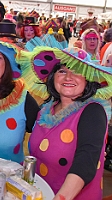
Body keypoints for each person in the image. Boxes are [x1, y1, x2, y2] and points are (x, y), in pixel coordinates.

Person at [18, 46, 112, 199]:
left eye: (77, 71)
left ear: (88, 79)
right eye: (62, 71)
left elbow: (86, 161)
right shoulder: (45, 111)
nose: (68, 77)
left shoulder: (93, 111)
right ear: (53, 77)